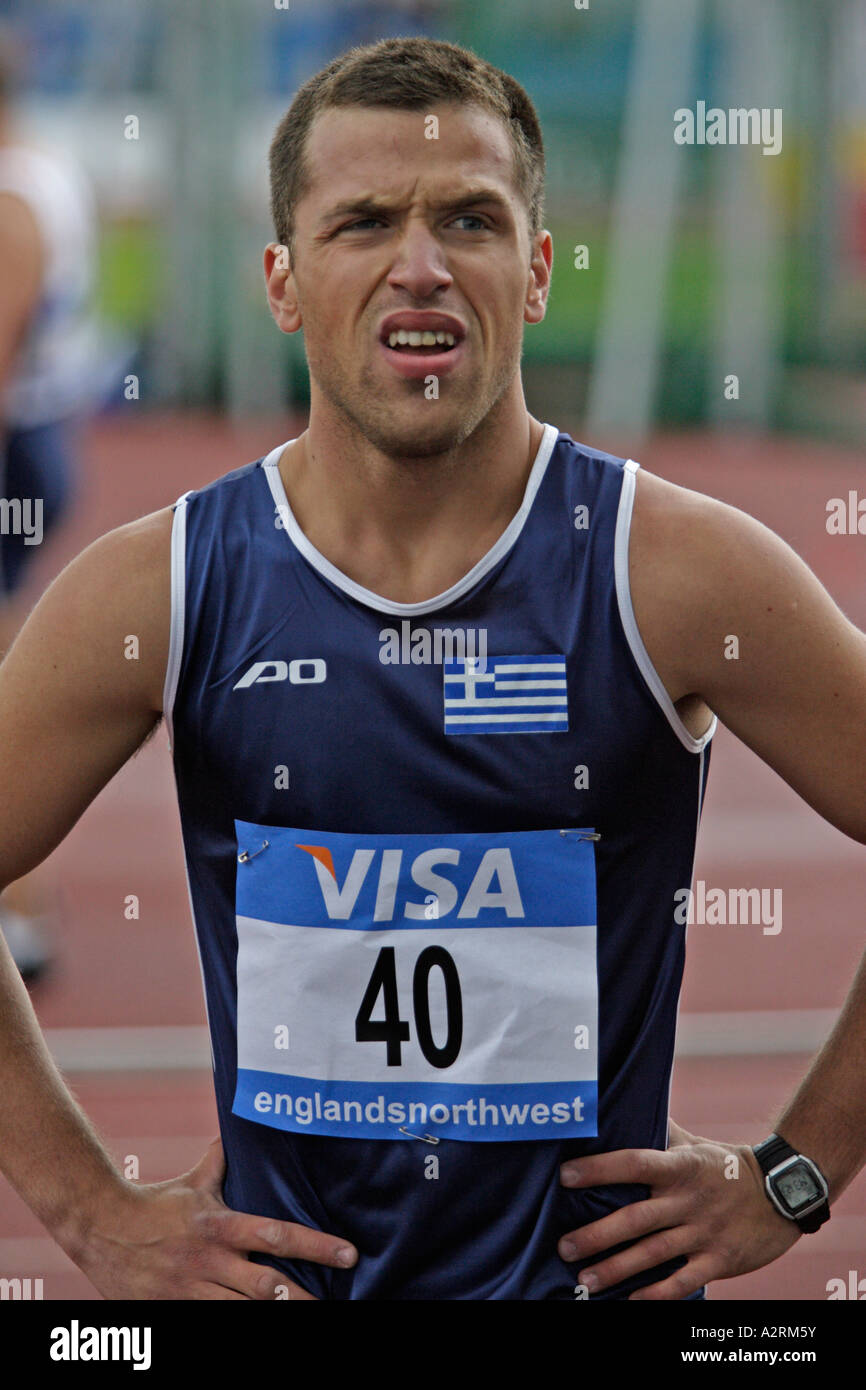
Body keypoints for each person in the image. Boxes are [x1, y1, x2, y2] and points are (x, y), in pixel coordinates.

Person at [0, 35, 864, 1301]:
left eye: (470, 218)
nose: (420, 265)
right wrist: (90, 1211)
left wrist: (797, 1171)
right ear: (283, 282)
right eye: (362, 222)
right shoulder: (166, 586)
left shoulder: (672, 571)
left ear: (536, 272)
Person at [0, 27, 105, 984]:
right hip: (35, 439)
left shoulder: (15, 196)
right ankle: (22, 909)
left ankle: (24, 910)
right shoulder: (38, 170)